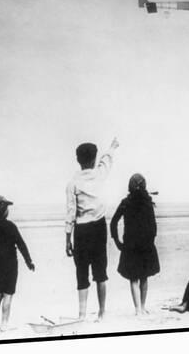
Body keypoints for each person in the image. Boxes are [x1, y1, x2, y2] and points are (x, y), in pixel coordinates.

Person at [65, 137, 120, 321]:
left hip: (81, 231)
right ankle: (102, 312)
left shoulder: (72, 183)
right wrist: (112, 147)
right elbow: (107, 161)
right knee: (100, 271)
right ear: (94, 159)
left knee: (81, 272)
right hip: (98, 228)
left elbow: (70, 212)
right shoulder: (99, 174)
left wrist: (67, 239)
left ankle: (81, 315)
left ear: (77, 159)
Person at [110, 173, 160, 316]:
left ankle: (138, 309)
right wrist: (151, 241)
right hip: (146, 245)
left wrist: (117, 241)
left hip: (130, 246)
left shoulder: (126, 202)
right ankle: (142, 308)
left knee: (133, 278)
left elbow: (113, 222)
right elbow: (153, 226)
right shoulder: (148, 202)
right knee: (144, 277)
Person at [0, 194, 35, 331]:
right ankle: (5, 324)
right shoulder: (10, 226)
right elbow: (21, 244)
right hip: (9, 265)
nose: (8, 210)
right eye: (6, 208)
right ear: (2, 210)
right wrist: (29, 261)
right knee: (8, 294)